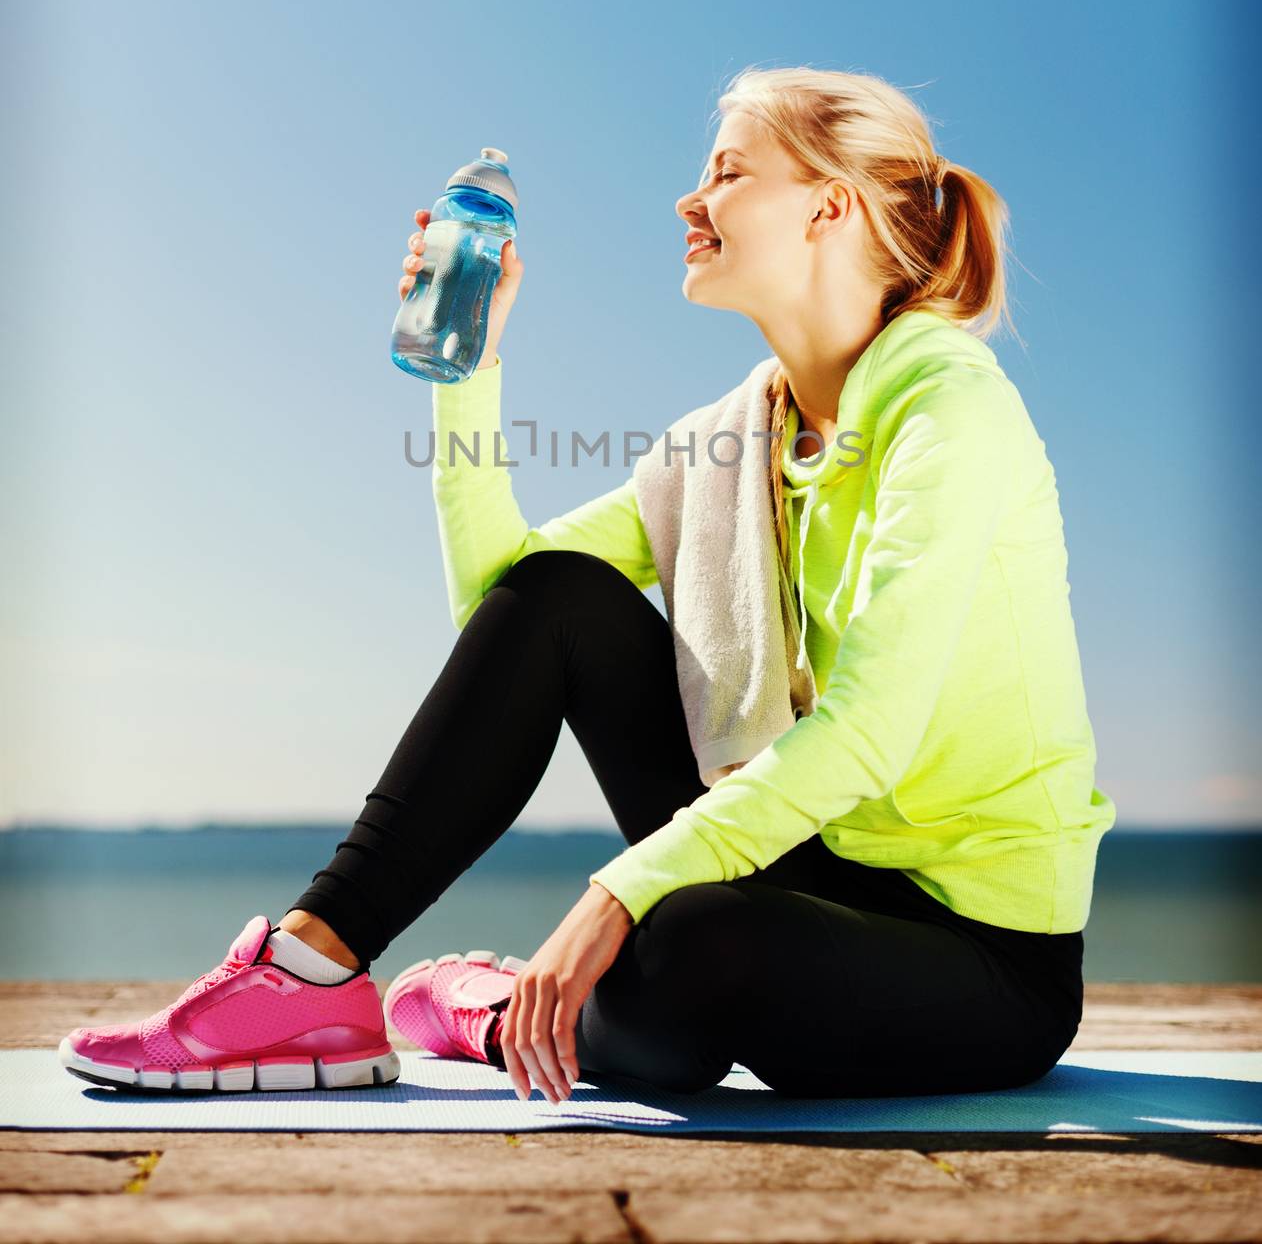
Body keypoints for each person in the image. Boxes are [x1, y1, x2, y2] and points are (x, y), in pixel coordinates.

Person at [59, 65, 1116, 1106]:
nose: (687, 198)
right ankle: (309, 974)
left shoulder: (950, 413)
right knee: (565, 595)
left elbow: (870, 729)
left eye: (727, 171)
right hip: (805, 861)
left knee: (697, 944)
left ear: (826, 206)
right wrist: (466, 371)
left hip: (983, 960)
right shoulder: (733, 442)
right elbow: (507, 608)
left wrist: (617, 890)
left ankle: (496, 1009)